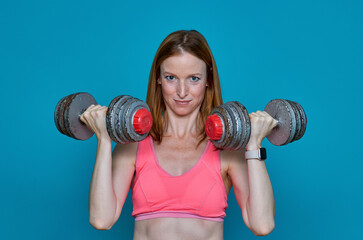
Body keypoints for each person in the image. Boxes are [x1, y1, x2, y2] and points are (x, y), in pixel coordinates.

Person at [80, 30, 277, 239]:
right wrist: (103, 139)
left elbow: (262, 224)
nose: (182, 92)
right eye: (171, 78)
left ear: (208, 79)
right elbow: (102, 219)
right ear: (158, 78)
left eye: (194, 78)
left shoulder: (226, 148)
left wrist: (254, 143)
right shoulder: (134, 143)